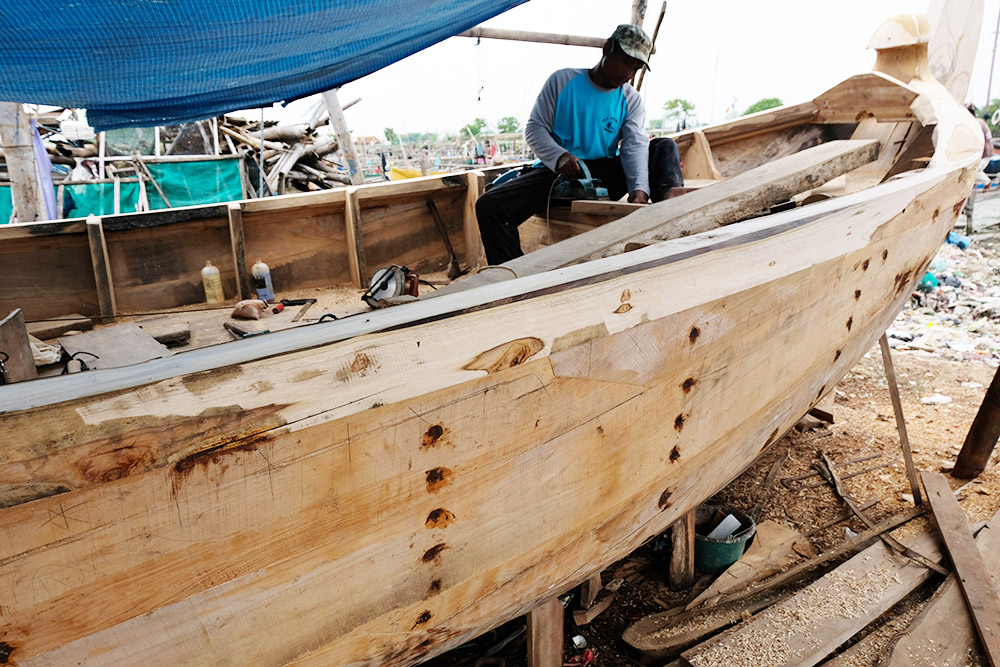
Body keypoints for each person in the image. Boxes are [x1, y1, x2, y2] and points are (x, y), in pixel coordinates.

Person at [475, 24, 684, 265]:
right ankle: (511, 278)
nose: (628, 73)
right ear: (608, 48)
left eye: (635, 68)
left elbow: (635, 145)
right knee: (490, 206)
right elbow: (535, 129)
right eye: (625, 62)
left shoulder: (630, 98)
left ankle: (671, 199)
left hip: (604, 174)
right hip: (557, 175)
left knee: (663, 146)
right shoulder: (563, 80)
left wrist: (640, 188)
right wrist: (560, 156)